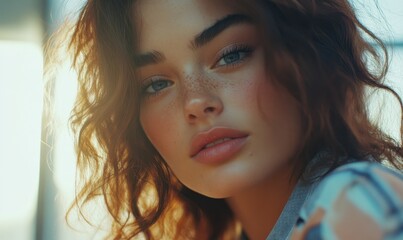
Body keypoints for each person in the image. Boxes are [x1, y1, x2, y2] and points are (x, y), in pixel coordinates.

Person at [61, 0, 403, 239]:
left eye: (232, 55)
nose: (195, 102)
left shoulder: (355, 201)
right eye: (156, 84)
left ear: (305, 54)